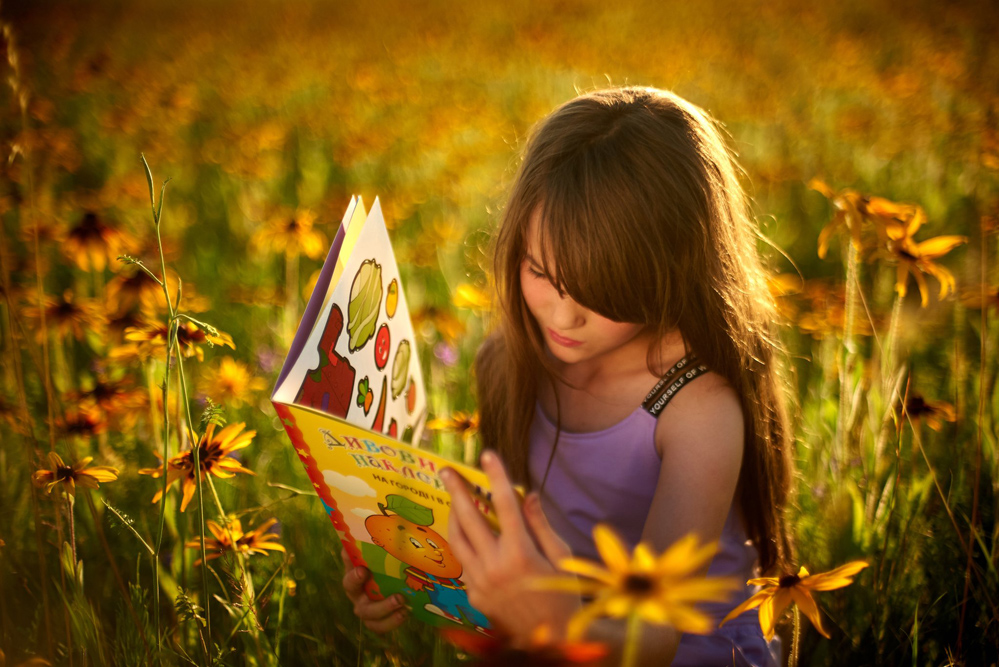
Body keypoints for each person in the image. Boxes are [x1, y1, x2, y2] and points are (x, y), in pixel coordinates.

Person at [343, 86, 793, 666]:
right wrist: (405, 570)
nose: (561, 316)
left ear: (672, 269)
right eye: (539, 272)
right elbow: (504, 527)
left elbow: (654, 637)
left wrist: (554, 625)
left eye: (599, 292)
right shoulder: (512, 358)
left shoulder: (697, 410)